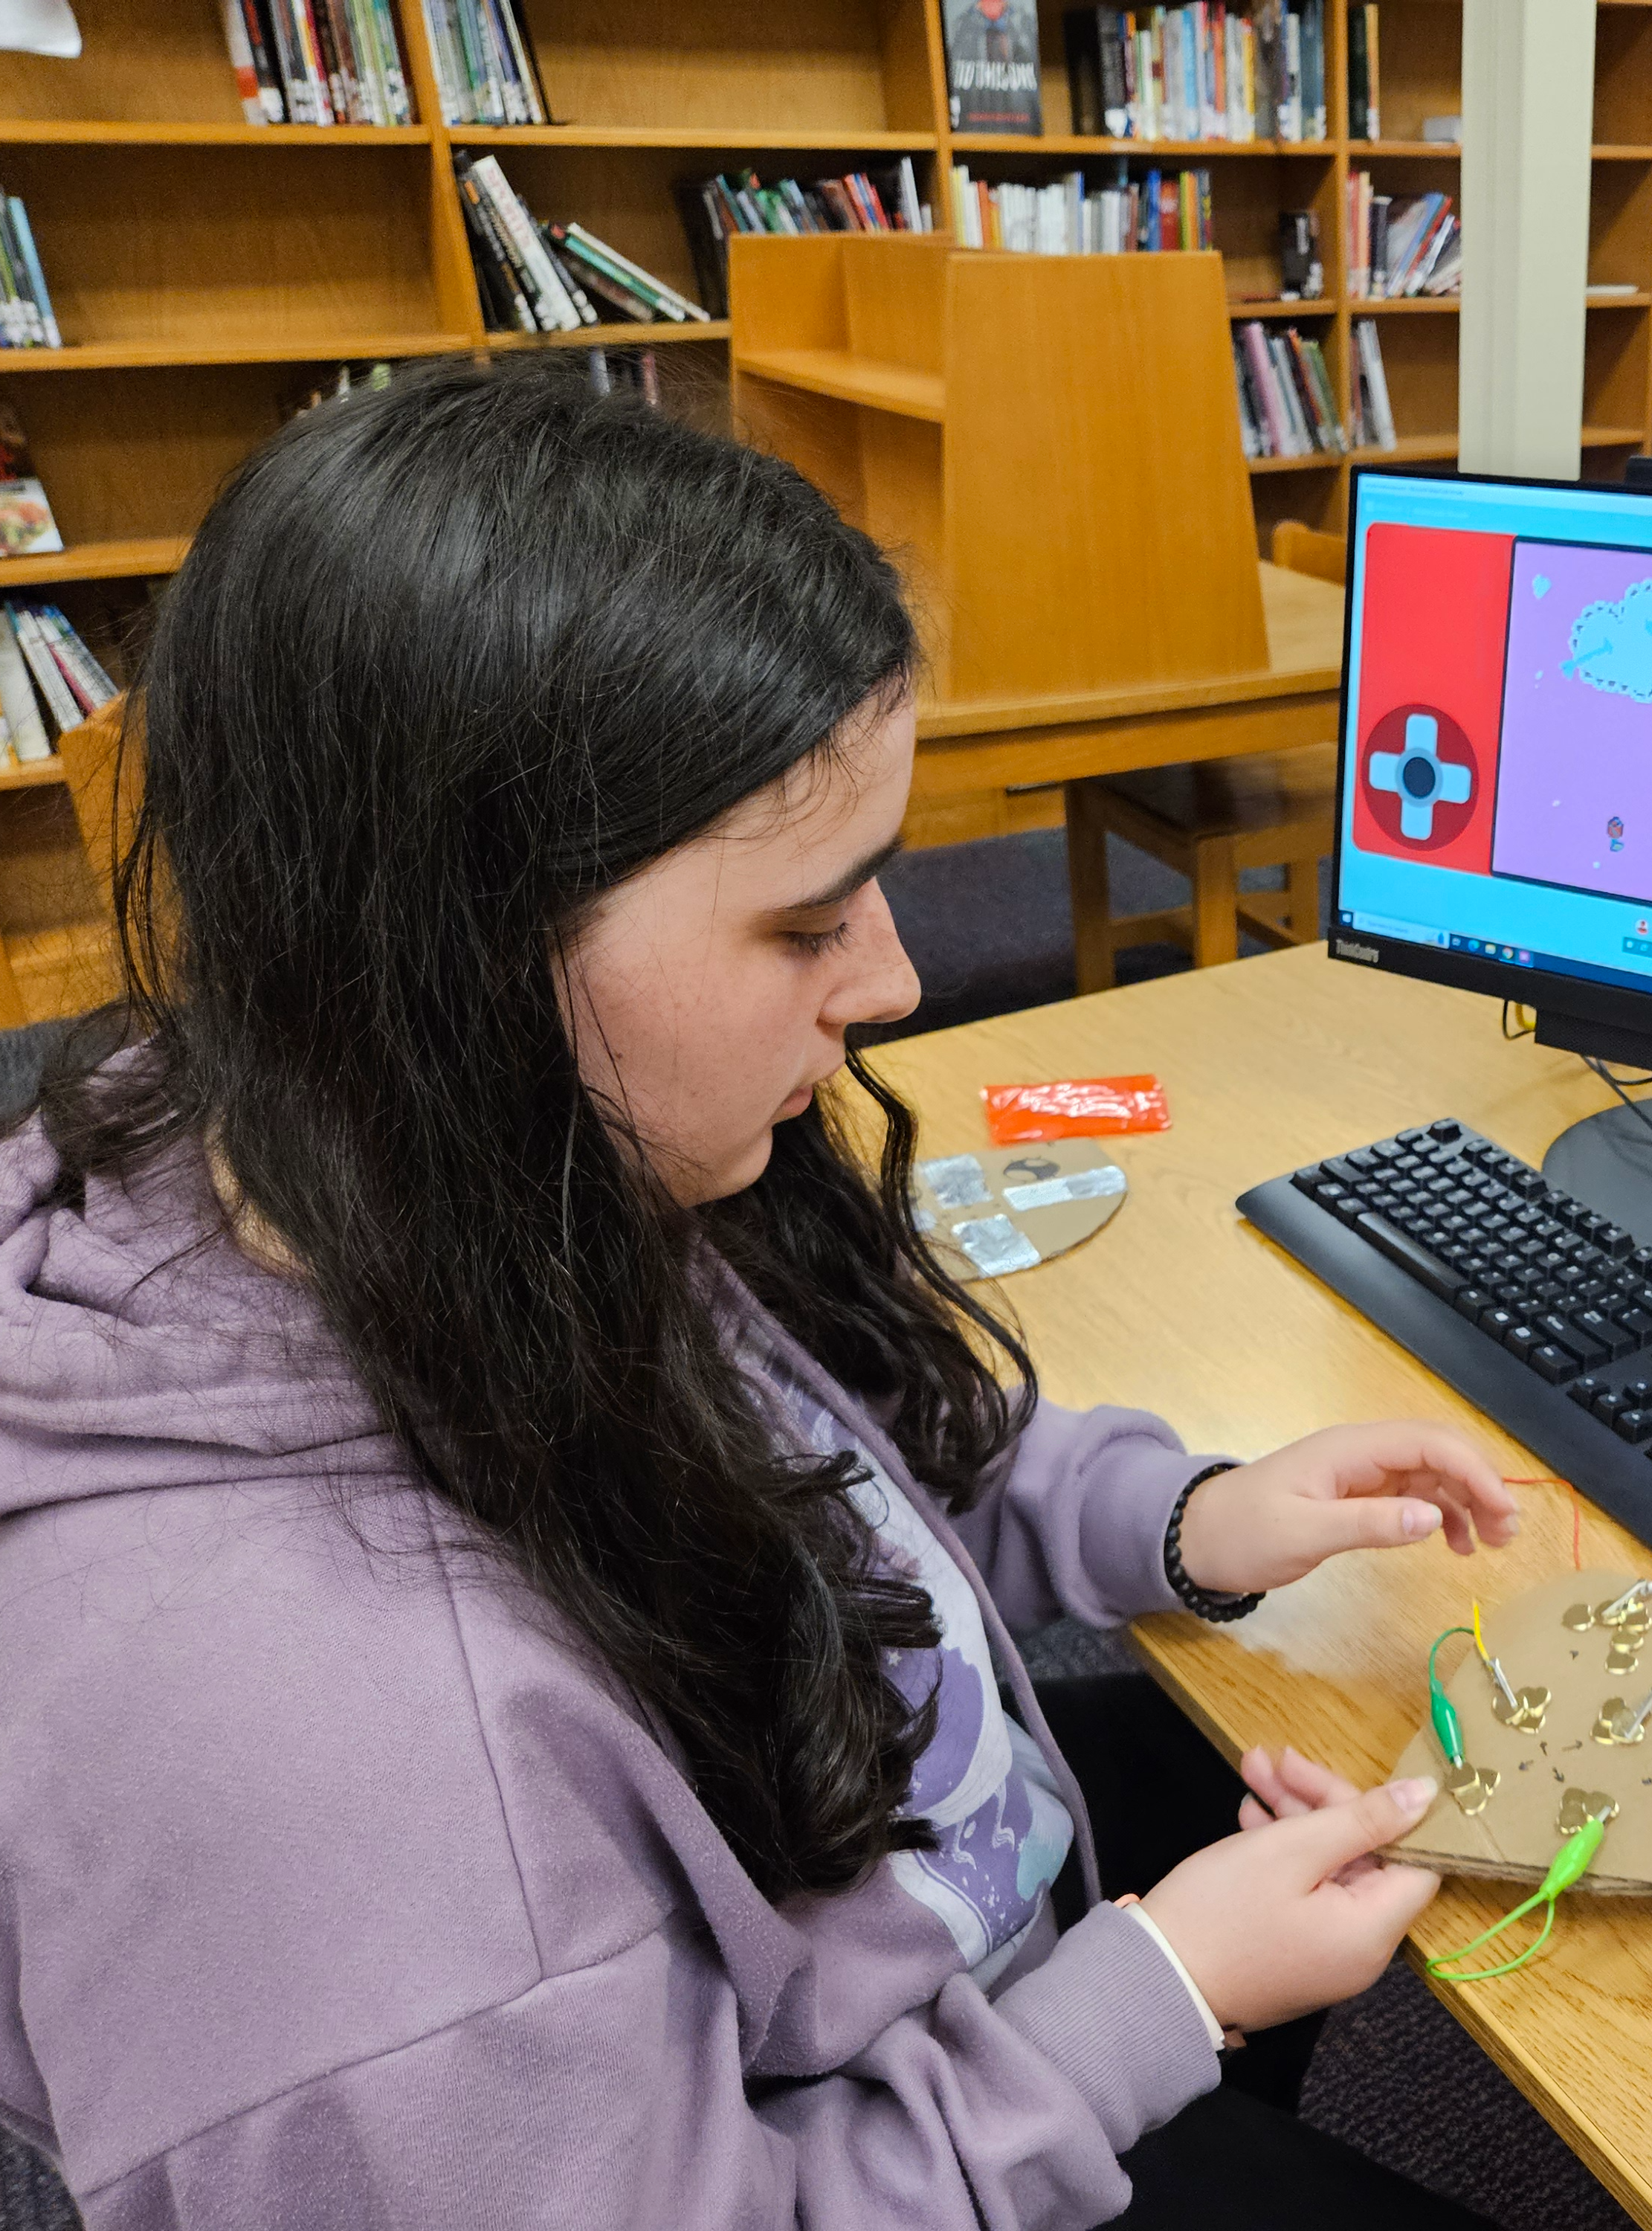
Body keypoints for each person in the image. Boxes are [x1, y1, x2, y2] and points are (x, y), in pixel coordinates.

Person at [0, 361, 1521, 2230]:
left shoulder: (448, 1151)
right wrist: (1163, 1998)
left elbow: (821, 1457)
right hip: (902, 2126)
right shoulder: (332, 1777)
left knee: (1281, 1760)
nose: (892, 979)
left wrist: (1186, 1516)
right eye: (809, 920)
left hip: (936, 1961)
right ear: (462, 952)